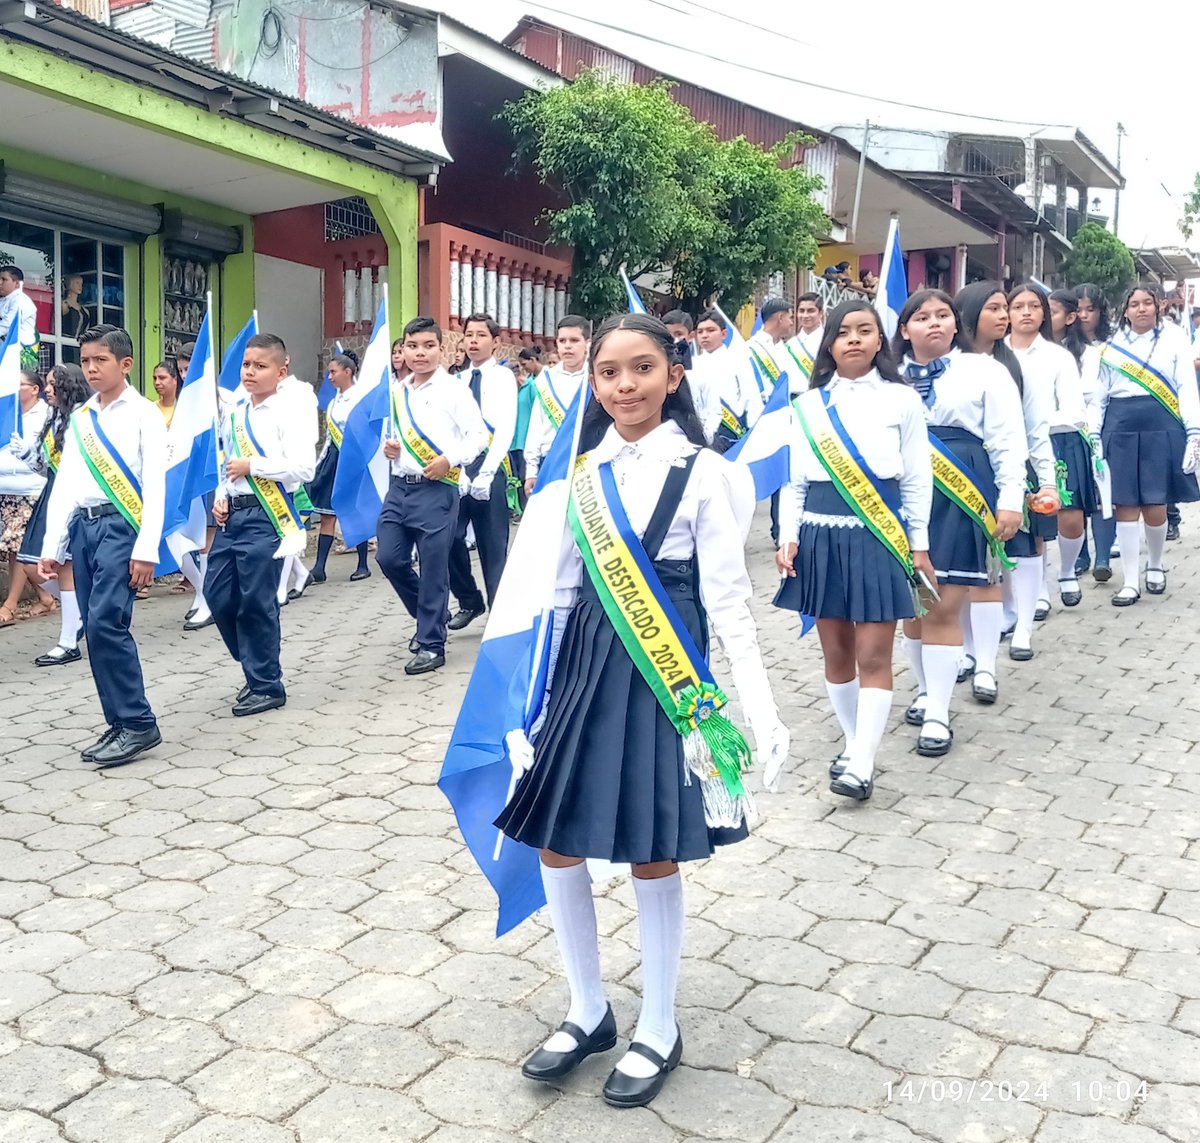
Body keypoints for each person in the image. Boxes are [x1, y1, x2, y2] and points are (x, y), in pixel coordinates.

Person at [494, 313, 787, 1110]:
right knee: (555, 841)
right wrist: (533, 706)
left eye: (642, 368)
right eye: (610, 372)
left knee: (652, 849)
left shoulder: (707, 473)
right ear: (592, 384)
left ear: (673, 375)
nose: (626, 385)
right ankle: (588, 1008)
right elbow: (556, 597)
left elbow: (730, 603)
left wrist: (758, 709)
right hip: (588, 663)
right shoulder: (576, 478)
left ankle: (660, 1022)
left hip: (667, 671)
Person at [775, 301, 933, 801]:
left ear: (881, 340)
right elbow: (795, 480)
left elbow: (917, 478)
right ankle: (852, 743)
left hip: (879, 534)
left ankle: (863, 763)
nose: (854, 340)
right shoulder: (808, 404)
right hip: (820, 533)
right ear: (829, 344)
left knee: (872, 652)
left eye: (865, 331)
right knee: (836, 652)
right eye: (843, 332)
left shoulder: (903, 401)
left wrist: (920, 543)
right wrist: (787, 535)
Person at [893, 291, 1026, 755]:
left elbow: (1009, 439)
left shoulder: (985, 371)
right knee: (910, 609)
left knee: (944, 604)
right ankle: (927, 686)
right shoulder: (884, 379)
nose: (934, 323)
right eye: (922, 316)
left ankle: (937, 713)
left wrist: (1011, 499)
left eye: (943, 315)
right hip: (899, 497)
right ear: (905, 327)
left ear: (956, 325)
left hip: (960, 488)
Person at [38, 324, 167, 767]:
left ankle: (138, 723)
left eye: (101, 361)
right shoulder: (82, 418)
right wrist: (52, 545)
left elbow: (155, 484)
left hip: (122, 528)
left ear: (125, 364)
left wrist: (147, 548)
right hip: (85, 530)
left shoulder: (144, 413)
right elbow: (67, 485)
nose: (91, 369)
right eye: (86, 361)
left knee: (108, 621)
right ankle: (119, 721)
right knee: (93, 629)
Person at [207, 333, 316, 715]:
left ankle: (266, 684)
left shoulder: (291, 410)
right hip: (233, 514)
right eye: (246, 365)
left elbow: (304, 467)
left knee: (257, 600)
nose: (250, 372)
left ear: (281, 371)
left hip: (268, 515)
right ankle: (254, 664)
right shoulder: (237, 411)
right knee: (217, 594)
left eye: (260, 366)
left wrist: (254, 466)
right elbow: (227, 462)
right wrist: (222, 496)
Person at [377, 317, 487, 675]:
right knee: (390, 559)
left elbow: (477, 437)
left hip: (438, 490)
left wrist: (448, 460)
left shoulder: (454, 390)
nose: (420, 353)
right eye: (413, 346)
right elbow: (390, 437)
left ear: (441, 349)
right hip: (400, 488)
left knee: (433, 567)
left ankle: (430, 643)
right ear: (403, 350)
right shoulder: (398, 391)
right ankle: (432, 615)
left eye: (428, 346)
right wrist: (391, 449)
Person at [1091, 283, 1200, 605]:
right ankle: (1129, 580)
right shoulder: (1109, 346)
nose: (1141, 309)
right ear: (1124, 310)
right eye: (1134, 303)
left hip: (1161, 423)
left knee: (1155, 503)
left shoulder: (1175, 340)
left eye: (1147, 303)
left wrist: (1194, 431)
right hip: (1120, 425)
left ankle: (1155, 563)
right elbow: (1098, 394)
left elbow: (1185, 387)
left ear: (1158, 306)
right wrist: (1094, 433)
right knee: (1124, 504)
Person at [1002, 283, 1064, 657]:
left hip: (1025, 457)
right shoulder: (980, 359)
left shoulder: (1052, 357)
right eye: (1014, 306)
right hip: (982, 464)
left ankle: (1024, 625)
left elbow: (1041, 424)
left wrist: (1048, 481)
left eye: (1032, 306)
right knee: (996, 548)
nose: (1024, 312)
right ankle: (1007, 612)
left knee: (1026, 545)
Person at [15, 364, 91, 664]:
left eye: (52, 384)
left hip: (72, 496)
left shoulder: (81, 419)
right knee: (32, 564)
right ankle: (78, 614)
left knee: (63, 567)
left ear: (68, 386)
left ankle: (68, 639)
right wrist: (26, 454)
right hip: (51, 493)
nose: (47, 389)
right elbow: (43, 465)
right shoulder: (54, 418)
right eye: (46, 383)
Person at [447, 313, 518, 630]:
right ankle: (469, 600)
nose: (473, 341)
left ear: (495, 342)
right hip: (460, 469)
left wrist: (487, 472)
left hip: (492, 465)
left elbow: (505, 429)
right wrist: (459, 468)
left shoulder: (502, 378)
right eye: (469, 335)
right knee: (449, 538)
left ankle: (500, 616)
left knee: (492, 547)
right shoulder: (456, 382)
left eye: (480, 335)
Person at [1044, 290, 1100, 608]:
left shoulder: (1085, 354)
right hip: (1030, 438)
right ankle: (1038, 587)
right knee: (1034, 520)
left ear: (1070, 317)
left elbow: (1082, 402)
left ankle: (1067, 570)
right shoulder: (1017, 351)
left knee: (1071, 517)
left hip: (1067, 436)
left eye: (1051, 311)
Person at [306, 352, 370, 584]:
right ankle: (320, 567)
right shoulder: (333, 402)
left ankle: (363, 564)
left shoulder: (360, 398)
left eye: (333, 372)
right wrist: (319, 462)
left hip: (353, 460)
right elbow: (330, 440)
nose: (329, 377)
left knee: (354, 511)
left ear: (348, 372)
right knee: (326, 513)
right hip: (334, 460)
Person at [0, 368, 52, 626]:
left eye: (21, 384)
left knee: (17, 547)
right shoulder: (7, 412)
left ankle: (9, 605)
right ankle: (45, 596)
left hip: (31, 488)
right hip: (6, 487)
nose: (15, 388)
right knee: (13, 547)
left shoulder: (45, 415)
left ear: (34, 389)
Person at [523, 316, 592, 494]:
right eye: (562, 341)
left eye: (574, 340)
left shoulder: (595, 378)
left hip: (585, 460)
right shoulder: (546, 380)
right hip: (550, 460)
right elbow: (536, 426)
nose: (567, 346)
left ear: (588, 344)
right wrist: (531, 470)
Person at [1074, 284, 1115, 578]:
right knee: (1075, 492)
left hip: (1107, 423)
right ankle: (1079, 555)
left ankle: (1103, 556)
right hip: (1072, 425)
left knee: (1103, 487)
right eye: (1079, 310)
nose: (1085, 316)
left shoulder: (1113, 346)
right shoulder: (1062, 347)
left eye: (1091, 309)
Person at [691, 308, 762, 451]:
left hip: (731, 430)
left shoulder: (738, 360)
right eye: (700, 332)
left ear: (724, 334)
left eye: (711, 330)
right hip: (700, 431)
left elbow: (751, 396)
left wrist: (752, 432)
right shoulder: (692, 364)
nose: (705, 335)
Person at [509, 347, 542, 512]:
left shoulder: (532, 387)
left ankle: (527, 511)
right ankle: (518, 509)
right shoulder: (515, 390)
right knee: (515, 480)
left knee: (525, 478)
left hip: (526, 440)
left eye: (524, 364)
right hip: (514, 441)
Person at [0, 265, 40, 369]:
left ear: (17, 284)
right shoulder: (4, 300)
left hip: (21, 352)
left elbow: (7, 326)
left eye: (4, 279)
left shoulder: (21, 300)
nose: (0, 283)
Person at [785, 292, 825, 394]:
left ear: (821, 313)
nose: (805, 315)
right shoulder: (790, 345)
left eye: (811, 311)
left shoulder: (829, 342)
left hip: (821, 399)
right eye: (801, 311)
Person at [748, 297, 793, 387]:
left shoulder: (787, 349)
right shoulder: (750, 348)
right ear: (780, 318)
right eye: (790, 318)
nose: (791, 323)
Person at [60, 274, 91, 341]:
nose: (80, 286)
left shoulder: (85, 310)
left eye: (81, 284)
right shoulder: (64, 305)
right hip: (66, 344)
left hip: (79, 345)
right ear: (70, 283)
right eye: (77, 283)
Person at [151, 361, 181, 428]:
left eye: (162, 378)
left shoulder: (183, 409)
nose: (157, 382)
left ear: (175, 379)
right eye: (155, 378)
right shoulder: (150, 408)